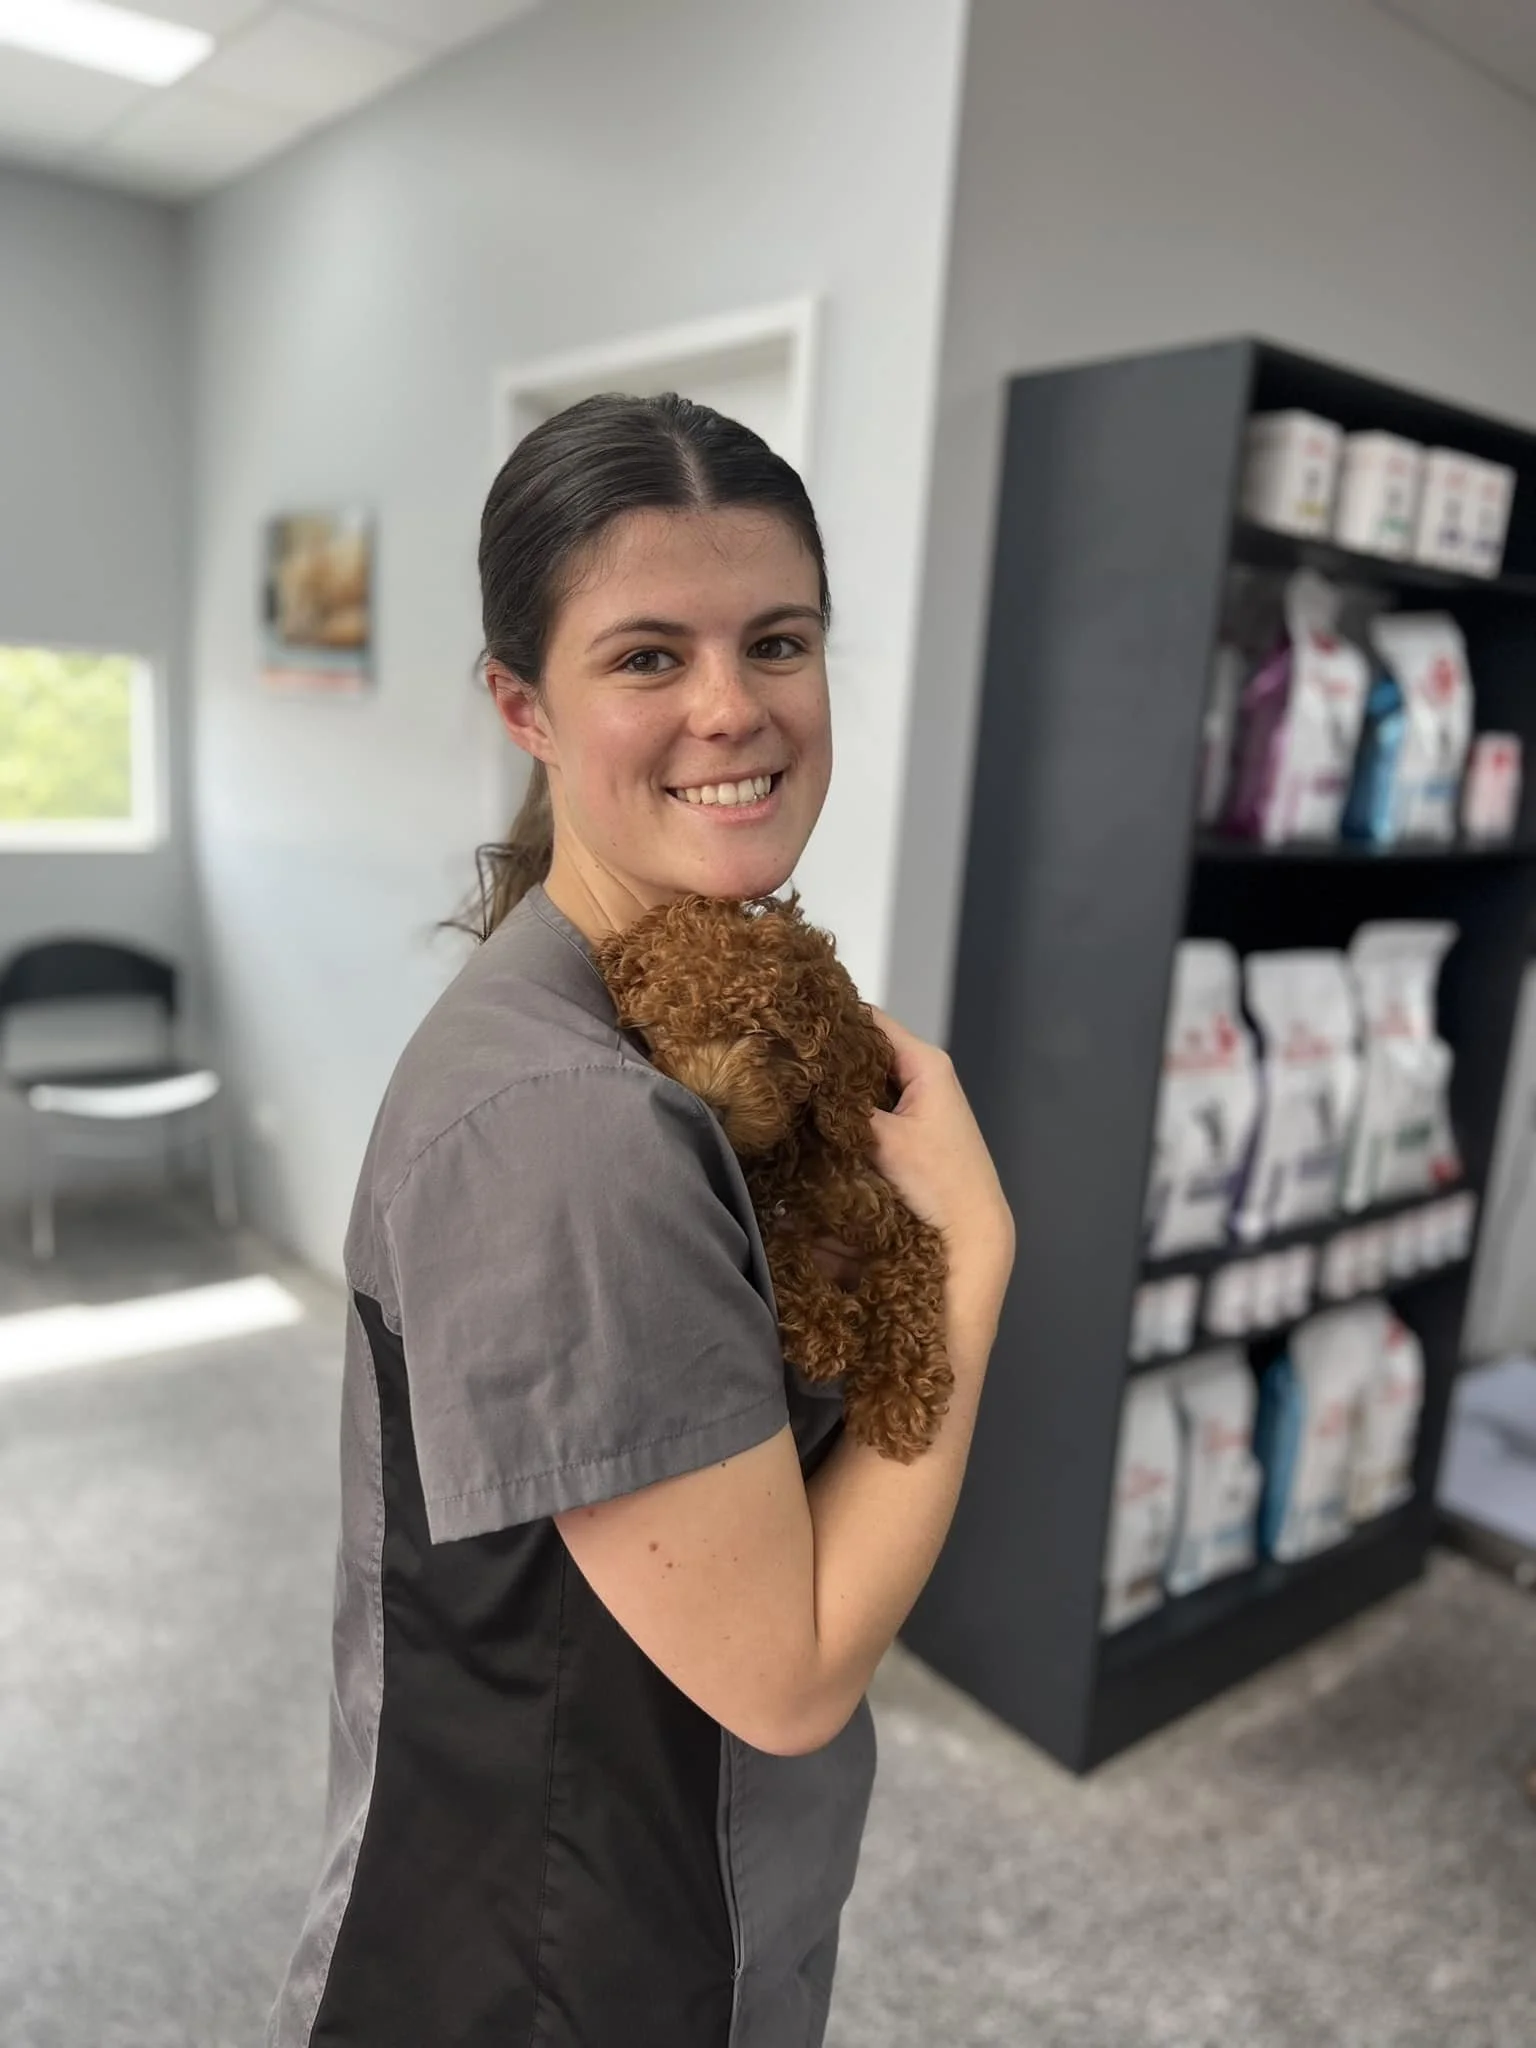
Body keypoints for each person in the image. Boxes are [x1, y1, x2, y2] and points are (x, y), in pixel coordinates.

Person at [267, 393, 1015, 2048]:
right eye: (648, 658)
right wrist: (963, 1266)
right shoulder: (570, 1128)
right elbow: (788, 1671)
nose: (736, 710)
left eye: (780, 640)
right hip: (561, 1971)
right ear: (522, 705)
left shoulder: (639, 1015)